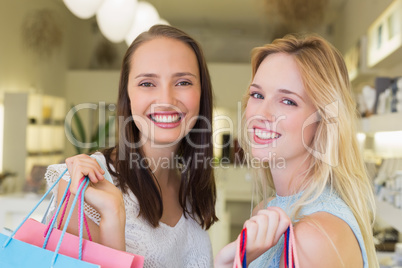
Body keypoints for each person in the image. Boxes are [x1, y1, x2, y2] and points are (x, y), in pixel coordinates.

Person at [44, 24, 218, 267]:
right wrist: (112, 217)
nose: (166, 100)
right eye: (147, 83)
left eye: (183, 82)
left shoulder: (191, 187)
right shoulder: (82, 186)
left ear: (202, 94)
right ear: (128, 95)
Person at [214, 33, 378, 267]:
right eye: (257, 95)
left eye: (288, 101)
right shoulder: (267, 211)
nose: (261, 113)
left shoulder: (313, 236)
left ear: (324, 121)